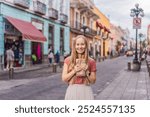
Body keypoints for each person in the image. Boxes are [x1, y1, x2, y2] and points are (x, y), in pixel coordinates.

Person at [62, 35, 96, 100]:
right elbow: (64, 78)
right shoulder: (68, 60)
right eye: (77, 44)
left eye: (82, 44)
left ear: (86, 45)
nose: (80, 47)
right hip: (72, 90)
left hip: (86, 90)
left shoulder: (91, 61)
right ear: (74, 46)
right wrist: (74, 71)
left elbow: (93, 81)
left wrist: (86, 72)